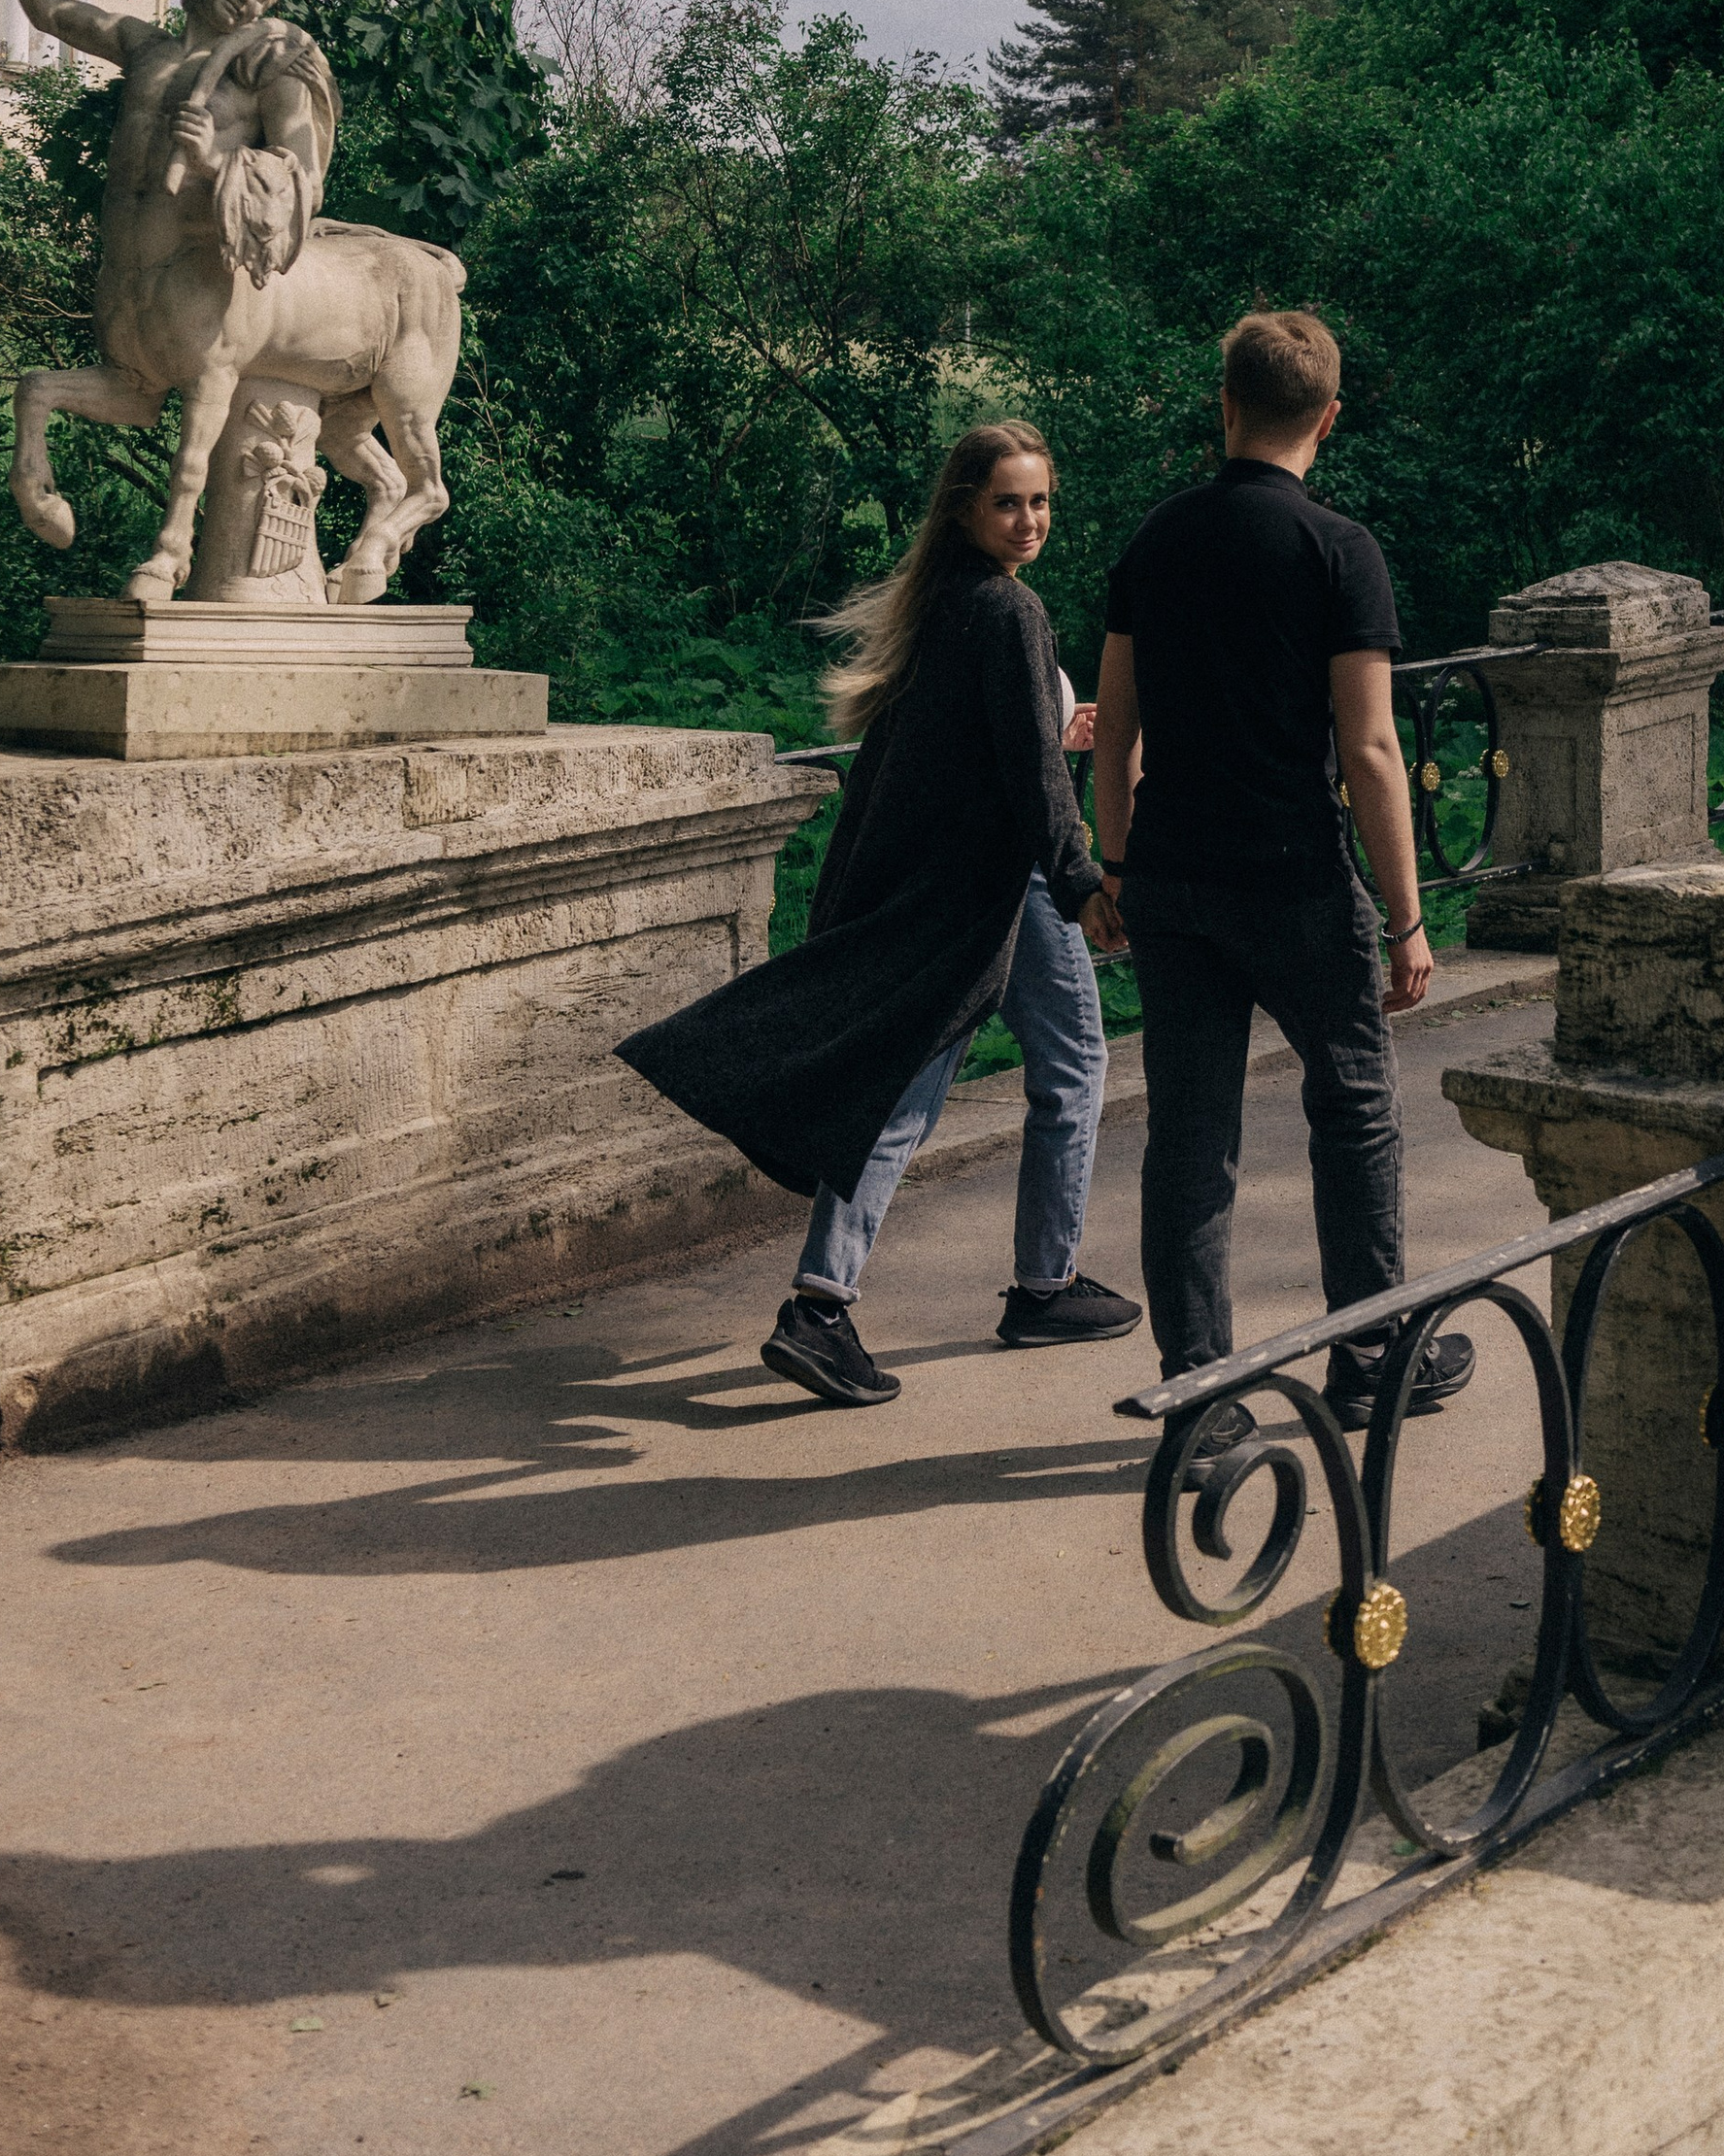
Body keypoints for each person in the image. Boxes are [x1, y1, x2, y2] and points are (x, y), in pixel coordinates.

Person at [616, 421, 1141, 1408]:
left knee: (989, 1071)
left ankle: (1009, 1284)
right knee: (993, 1075)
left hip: (964, 880)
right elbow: (1029, 777)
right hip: (997, 883)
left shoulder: (946, 603)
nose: (1028, 520)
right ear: (964, 509)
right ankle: (866, 1303)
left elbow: (968, 751)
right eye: (1007, 503)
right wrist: (1083, 880)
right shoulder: (1007, 611)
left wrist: (1053, 730)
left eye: (1039, 502)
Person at [1085, 309, 1471, 1473]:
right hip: (1296, 880)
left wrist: (1113, 865)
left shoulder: (1155, 542)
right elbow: (1369, 753)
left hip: (1174, 883)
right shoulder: (1337, 549)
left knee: (1189, 1142)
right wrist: (1406, 917)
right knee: (1352, 1110)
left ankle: (1200, 1396)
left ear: (1226, 405)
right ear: (1329, 419)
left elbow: (1112, 736)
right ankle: (1369, 1360)